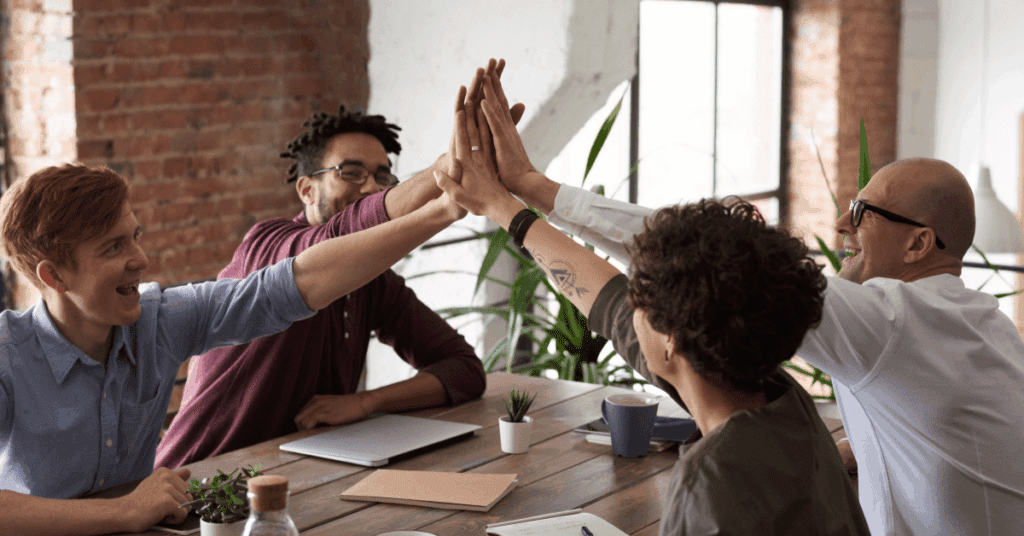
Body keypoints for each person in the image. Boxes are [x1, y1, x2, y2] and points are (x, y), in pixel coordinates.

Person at [469, 61, 1024, 535]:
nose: (839, 223)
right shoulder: (972, 325)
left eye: (861, 212)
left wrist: (526, 192)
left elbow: (702, 259)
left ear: (919, 243)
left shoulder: (894, 324)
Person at [432, 70, 870, 535]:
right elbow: (609, 303)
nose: (628, 302)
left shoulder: (710, 487)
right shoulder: (781, 400)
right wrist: (507, 203)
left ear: (669, 343)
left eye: (640, 294)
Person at [0, 149, 466, 535]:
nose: (140, 259)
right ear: (54, 275)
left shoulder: (158, 321)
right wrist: (123, 511)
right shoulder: (7, 353)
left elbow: (295, 283)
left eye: (135, 237)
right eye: (113, 247)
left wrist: (445, 210)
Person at [156, 63, 526, 469]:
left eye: (383, 176)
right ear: (306, 188)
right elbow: (339, 237)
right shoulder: (268, 245)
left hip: (302, 479)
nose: (370, 186)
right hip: (200, 485)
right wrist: (445, 173)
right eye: (350, 172)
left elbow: (464, 369)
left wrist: (366, 402)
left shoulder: (374, 282)